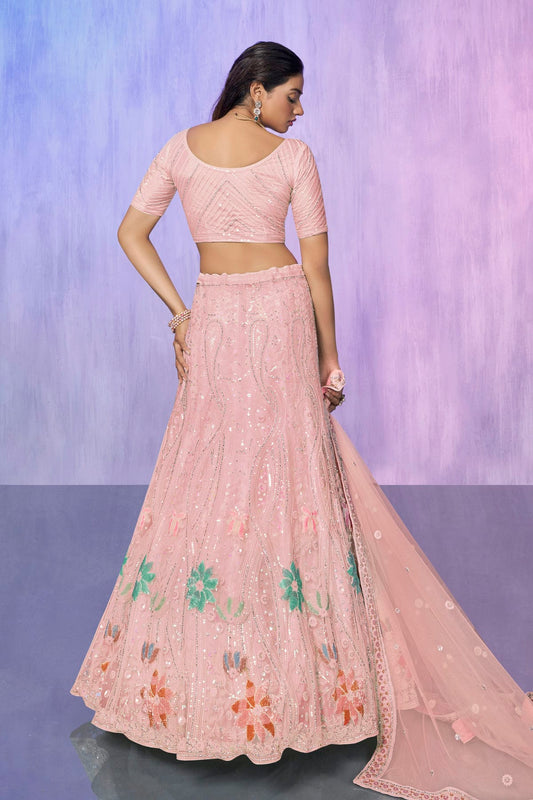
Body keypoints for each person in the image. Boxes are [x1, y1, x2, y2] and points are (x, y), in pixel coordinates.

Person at [70, 41, 533, 799]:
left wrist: (180, 314)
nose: (300, 109)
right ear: (255, 91)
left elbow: (130, 233)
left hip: (216, 316)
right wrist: (331, 357)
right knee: (288, 480)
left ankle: (197, 681)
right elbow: (316, 268)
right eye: (292, 94)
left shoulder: (179, 149)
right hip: (278, 314)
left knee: (210, 477)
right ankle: (302, 683)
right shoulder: (293, 158)